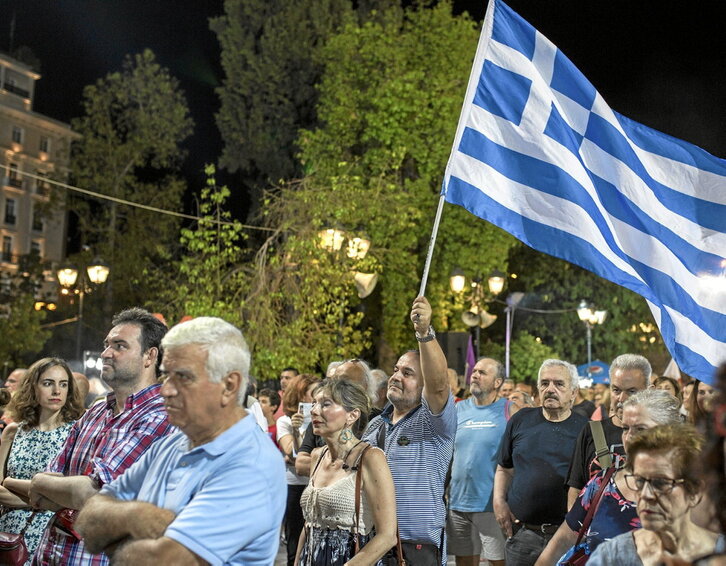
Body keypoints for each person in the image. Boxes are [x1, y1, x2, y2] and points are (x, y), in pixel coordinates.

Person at [76, 316, 286, 565]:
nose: (166, 390)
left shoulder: (252, 464)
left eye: (183, 377)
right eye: (166, 376)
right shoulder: (172, 444)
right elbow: (88, 522)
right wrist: (136, 515)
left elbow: (161, 561)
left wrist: (113, 534)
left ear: (229, 385)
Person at [29, 307, 175, 566]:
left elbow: (95, 494)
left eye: (120, 346)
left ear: (149, 356)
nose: (106, 353)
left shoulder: (160, 417)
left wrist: (39, 481)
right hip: (51, 554)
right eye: (106, 345)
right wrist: (55, 487)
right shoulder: (96, 410)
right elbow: (46, 489)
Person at [535, 389, 682, 566]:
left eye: (640, 429)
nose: (629, 437)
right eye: (626, 428)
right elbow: (563, 540)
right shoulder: (602, 482)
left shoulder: (692, 493)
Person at [363, 296, 456, 564]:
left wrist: (425, 334)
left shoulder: (435, 423)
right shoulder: (374, 426)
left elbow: (439, 385)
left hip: (417, 548)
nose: (396, 376)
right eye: (395, 370)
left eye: (408, 373)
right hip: (374, 546)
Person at [493, 359, 589, 566]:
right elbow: (504, 468)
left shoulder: (587, 430)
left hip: (568, 537)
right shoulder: (520, 420)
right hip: (523, 535)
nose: (550, 389)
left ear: (573, 392)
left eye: (559, 384)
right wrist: (499, 501)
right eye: (544, 383)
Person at [587, 423, 725, 565]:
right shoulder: (610, 557)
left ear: (695, 491)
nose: (646, 494)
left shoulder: (720, 555)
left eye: (660, 483)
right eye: (640, 481)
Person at [295, 379, 396, 565]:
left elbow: (388, 536)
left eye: (326, 404)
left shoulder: (371, 458)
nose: (314, 410)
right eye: (315, 403)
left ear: (352, 415)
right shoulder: (317, 456)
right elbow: (309, 524)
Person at [0, 358, 85, 564]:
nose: (57, 391)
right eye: (48, 383)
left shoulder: (77, 432)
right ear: (33, 387)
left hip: (50, 535)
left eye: (63, 384)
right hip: (6, 534)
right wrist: (44, 499)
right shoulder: (14, 431)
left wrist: (10, 483)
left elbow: (68, 497)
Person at [566, 354, 651, 507]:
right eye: (616, 390)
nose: (622, 399)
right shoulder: (591, 431)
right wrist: (577, 530)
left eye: (632, 391)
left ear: (650, 391)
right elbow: (576, 489)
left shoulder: (662, 435)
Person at [447, 357, 507, 566]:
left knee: (498, 562)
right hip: (458, 504)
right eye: (474, 371)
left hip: (492, 505)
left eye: (482, 372)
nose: (475, 375)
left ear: (497, 382)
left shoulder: (509, 410)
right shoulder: (457, 409)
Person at [295, 359, 378, 477]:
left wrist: (331, 467)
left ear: (364, 386)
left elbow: (375, 469)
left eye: (344, 381)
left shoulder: (380, 421)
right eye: (333, 380)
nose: (335, 385)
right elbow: (300, 464)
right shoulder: (319, 420)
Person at [278, 374, 321, 566]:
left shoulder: (323, 418)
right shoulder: (285, 421)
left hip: (318, 484)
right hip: (295, 485)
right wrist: (297, 431)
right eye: (312, 394)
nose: (316, 398)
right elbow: (293, 454)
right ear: (300, 396)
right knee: (295, 543)